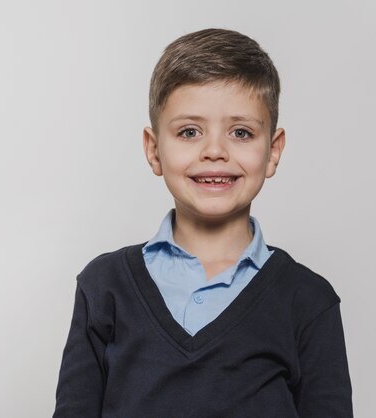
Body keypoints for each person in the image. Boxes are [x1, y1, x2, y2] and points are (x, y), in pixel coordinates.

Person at [52, 28, 353, 417]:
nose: (214, 151)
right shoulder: (103, 286)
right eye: (189, 132)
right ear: (154, 149)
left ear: (273, 151)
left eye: (240, 132)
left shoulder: (309, 301)